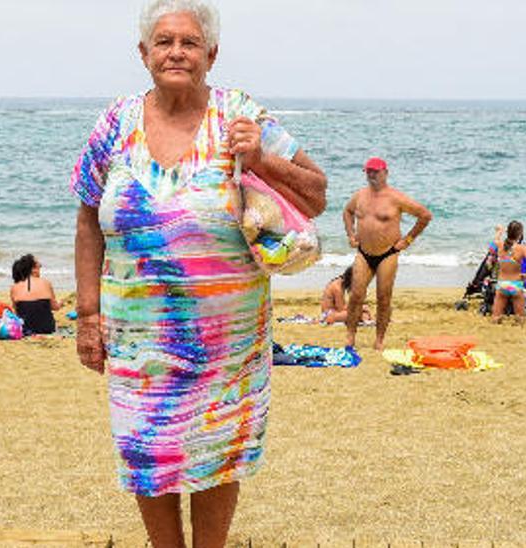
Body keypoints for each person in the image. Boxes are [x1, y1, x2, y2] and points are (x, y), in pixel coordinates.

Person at [70, 2, 327, 545]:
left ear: (212, 54)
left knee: (217, 456)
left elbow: (317, 192)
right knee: (148, 453)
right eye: (164, 42)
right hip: (138, 340)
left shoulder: (239, 115)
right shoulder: (115, 124)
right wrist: (87, 315)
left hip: (227, 344)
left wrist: (260, 160)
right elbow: (89, 220)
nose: (176, 52)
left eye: (189, 42)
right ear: (144, 54)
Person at [342, 157, 433, 350]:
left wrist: (407, 240)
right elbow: (347, 212)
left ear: (385, 173)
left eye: (375, 171)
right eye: (368, 171)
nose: (371, 175)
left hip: (388, 253)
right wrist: (351, 234)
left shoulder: (396, 198)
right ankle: (350, 336)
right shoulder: (360, 195)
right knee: (356, 295)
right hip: (363, 252)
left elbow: (425, 215)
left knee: (383, 297)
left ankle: (379, 339)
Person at [491, 221, 526, 325]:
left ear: (508, 232)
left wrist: (499, 231)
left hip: (502, 285)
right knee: (520, 319)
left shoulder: (500, 245)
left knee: (495, 318)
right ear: (520, 234)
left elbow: (495, 240)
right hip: (516, 285)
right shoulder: (521, 249)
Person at [9, 254, 59, 334]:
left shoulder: (14, 287)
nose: (41, 266)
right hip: (47, 328)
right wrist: (61, 303)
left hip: (24, 329)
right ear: (33, 269)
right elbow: (55, 307)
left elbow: (16, 312)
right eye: (38, 265)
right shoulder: (46, 283)